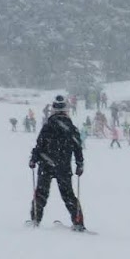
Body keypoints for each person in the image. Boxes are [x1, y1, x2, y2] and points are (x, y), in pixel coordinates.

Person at [27, 94, 85, 230]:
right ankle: (78, 222)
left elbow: (39, 145)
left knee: (41, 194)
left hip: (46, 165)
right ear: (66, 110)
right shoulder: (71, 128)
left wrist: (33, 159)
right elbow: (77, 147)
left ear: (53, 110)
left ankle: (35, 219)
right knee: (68, 195)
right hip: (63, 166)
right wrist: (79, 164)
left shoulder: (47, 126)